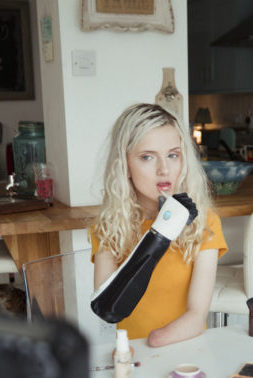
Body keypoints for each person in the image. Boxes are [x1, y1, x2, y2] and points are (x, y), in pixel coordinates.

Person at [90, 103, 227, 347]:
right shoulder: (110, 227)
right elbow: (109, 308)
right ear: (125, 165)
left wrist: (155, 340)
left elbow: (196, 317)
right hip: (134, 354)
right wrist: (159, 237)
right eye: (147, 157)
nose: (164, 169)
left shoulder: (204, 223)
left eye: (173, 155)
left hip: (186, 348)